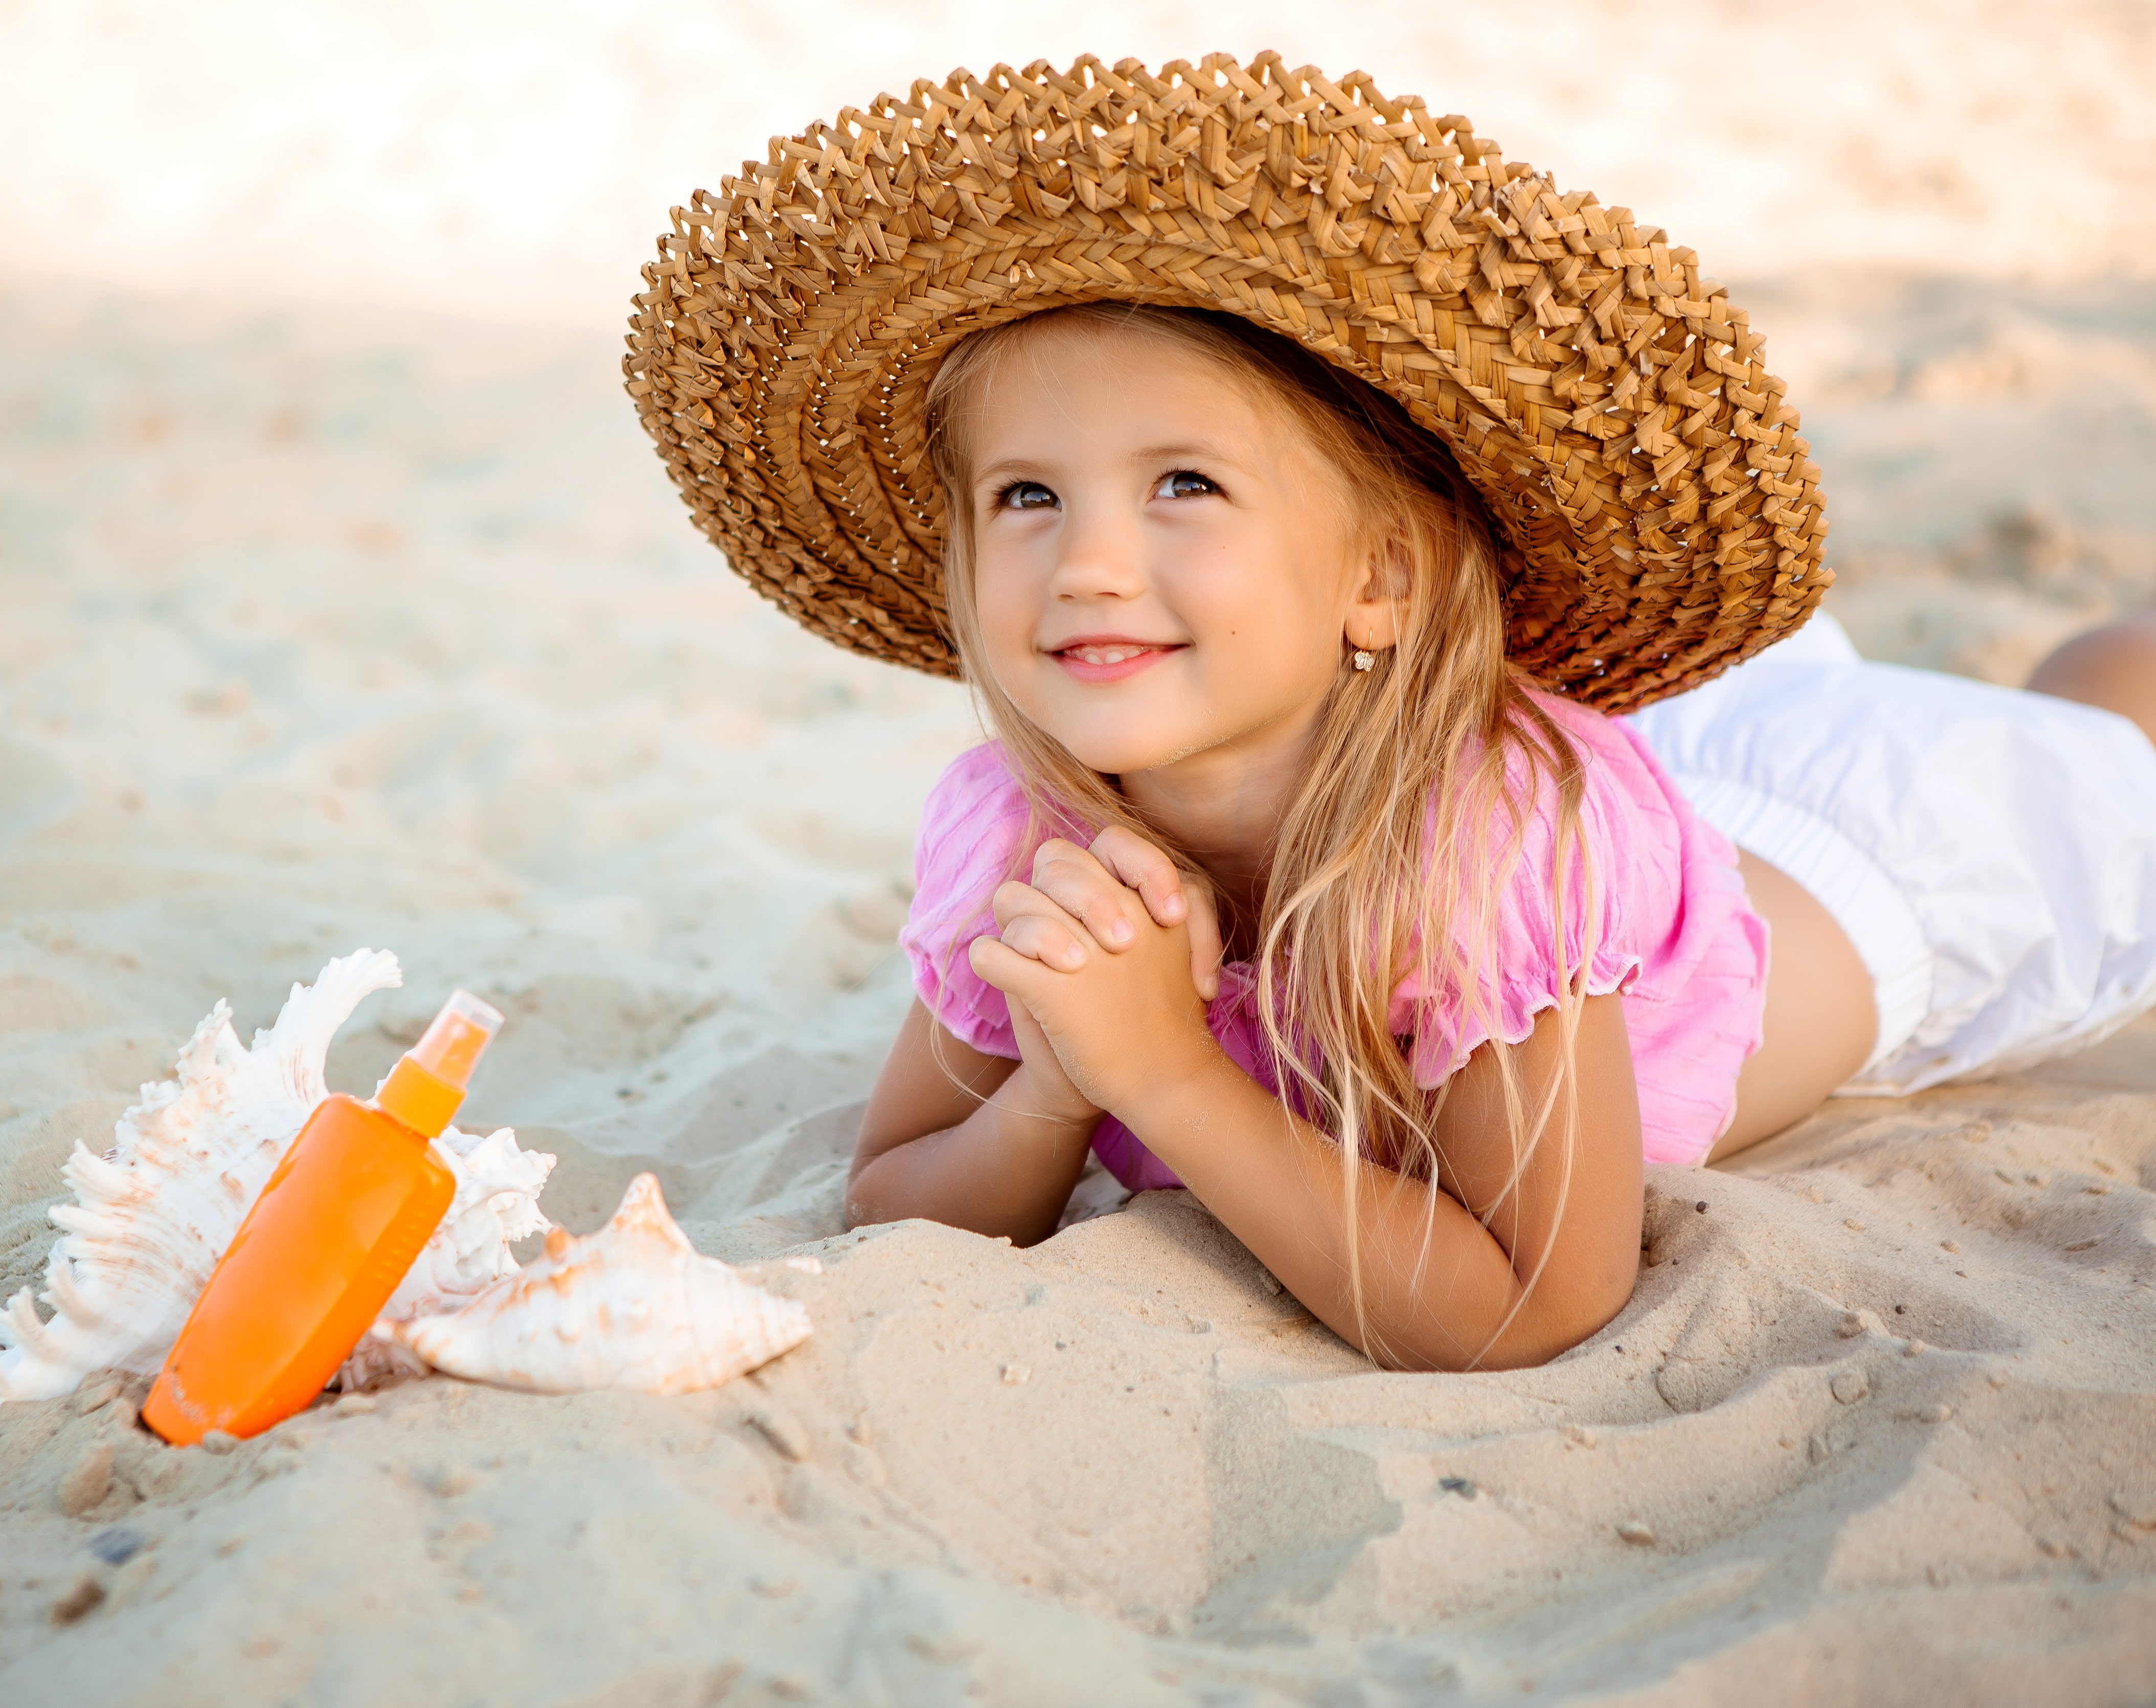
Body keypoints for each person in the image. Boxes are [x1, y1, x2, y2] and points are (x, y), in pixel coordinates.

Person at [625, 54, 2156, 1370]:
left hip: (1878, 871)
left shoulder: (1493, 849)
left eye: (1185, 485)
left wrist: (1162, 1073)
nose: (1088, 563)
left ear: (1383, 574)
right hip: (1638, 774)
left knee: (2107, 730)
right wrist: (1053, 1080)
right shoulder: (1028, 828)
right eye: (1027, 494)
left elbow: (1537, 1308)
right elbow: (893, 1191)